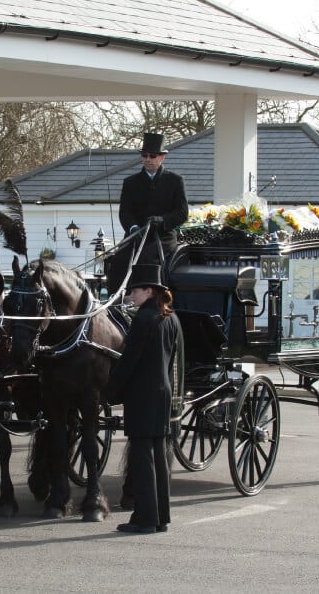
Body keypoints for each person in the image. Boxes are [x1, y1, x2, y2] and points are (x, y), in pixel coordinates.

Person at [102, 264, 178, 534]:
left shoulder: (144, 319)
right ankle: (160, 517)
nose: (131, 294)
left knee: (143, 458)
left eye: (135, 289)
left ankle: (145, 518)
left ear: (149, 290)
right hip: (162, 391)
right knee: (157, 455)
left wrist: (109, 393)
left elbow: (128, 362)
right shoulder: (170, 318)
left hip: (142, 395)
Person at [106, 132, 189, 291]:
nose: (147, 159)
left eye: (152, 155)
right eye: (144, 155)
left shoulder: (175, 181)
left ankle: (150, 298)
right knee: (119, 259)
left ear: (161, 157)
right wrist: (133, 228)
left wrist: (163, 220)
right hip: (136, 234)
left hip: (162, 236)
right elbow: (125, 212)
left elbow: (182, 212)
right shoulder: (130, 183)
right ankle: (116, 299)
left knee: (145, 257)